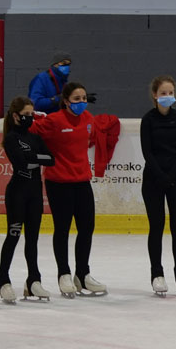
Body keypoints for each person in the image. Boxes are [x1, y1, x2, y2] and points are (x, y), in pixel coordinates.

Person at [32, 81, 106, 298]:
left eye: (84, 98)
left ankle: (82, 274)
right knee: (62, 228)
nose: (81, 102)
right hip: (58, 183)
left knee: (87, 228)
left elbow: (89, 141)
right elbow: (30, 130)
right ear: (65, 101)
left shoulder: (88, 119)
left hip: (82, 181)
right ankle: (64, 274)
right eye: (76, 99)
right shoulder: (54, 120)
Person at [0, 97, 55, 302]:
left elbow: (51, 159)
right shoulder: (11, 138)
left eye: (32, 114)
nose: (30, 118)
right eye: (26, 114)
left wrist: (32, 159)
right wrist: (36, 159)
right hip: (17, 193)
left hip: (35, 193)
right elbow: (21, 164)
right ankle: (3, 279)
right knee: (13, 235)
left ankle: (33, 280)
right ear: (16, 116)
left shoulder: (35, 138)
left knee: (33, 238)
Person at [140, 75, 176, 296]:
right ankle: (157, 274)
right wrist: (161, 175)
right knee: (157, 226)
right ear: (155, 95)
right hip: (153, 179)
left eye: (170, 93)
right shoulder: (148, 120)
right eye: (163, 93)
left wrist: (171, 175)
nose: (167, 96)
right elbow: (147, 152)